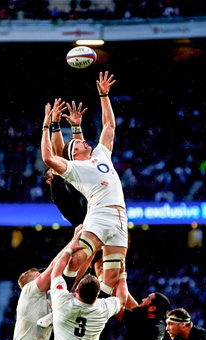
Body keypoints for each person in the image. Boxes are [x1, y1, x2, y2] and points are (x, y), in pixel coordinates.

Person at [40, 71, 128, 299]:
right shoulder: (74, 170)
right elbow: (52, 157)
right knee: (80, 256)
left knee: (112, 276)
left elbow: (109, 126)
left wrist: (104, 95)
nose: (82, 139)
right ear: (73, 153)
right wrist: (49, 126)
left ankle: (93, 312)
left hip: (120, 217)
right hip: (96, 215)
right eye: (78, 142)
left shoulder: (99, 155)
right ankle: (61, 300)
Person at [0, 229, 84, 340]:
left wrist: (89, 252)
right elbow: (54, 267)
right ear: (29, 281)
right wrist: (72, 242)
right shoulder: (29, 291)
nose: (43, 276)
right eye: (38, 275)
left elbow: (71, 276)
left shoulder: (49, 299)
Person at [43, 235, 127, 340]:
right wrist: (122, 275)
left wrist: (70, 248)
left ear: (77, 290)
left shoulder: (63, 302)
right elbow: (122, 300)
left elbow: (55, 272)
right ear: (97, 296)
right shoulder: (102, 308)